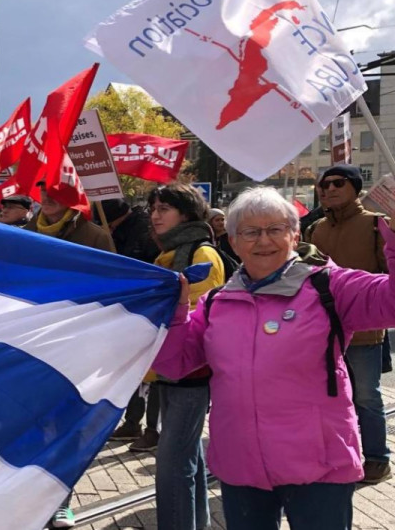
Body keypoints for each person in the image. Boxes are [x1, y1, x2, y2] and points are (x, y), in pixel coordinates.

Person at [155, 186, 395, 529]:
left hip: (319, 467)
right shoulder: (216, 303)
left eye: (275, 229)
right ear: (233, 241)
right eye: (250, 232)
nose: (263, 240)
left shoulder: (330, 287)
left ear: (295, 236)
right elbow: (173, 363)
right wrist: (176, 314)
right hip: (241, 467)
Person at [308, 164, 391, 484]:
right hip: (322, 332)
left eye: (338, 183)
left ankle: (377, 459)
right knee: (331, 397)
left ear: (355, 188)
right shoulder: (315, 230)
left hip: (366, 330)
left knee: (367, 396)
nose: (329, 188)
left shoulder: (376, 225)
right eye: (324, 184)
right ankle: (341, 455)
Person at [149, 182, 225, 530]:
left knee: (172, 464)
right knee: (187, 455)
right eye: (153, 209)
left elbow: (201, 314)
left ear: (186, 214)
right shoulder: (169, 253)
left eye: (164, 209)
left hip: (191, 372)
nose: (155, 215)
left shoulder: (201, 253)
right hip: (169, 370)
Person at [100, 199, 162, 450]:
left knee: (156, 375)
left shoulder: (143, 230)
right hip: (128, 310)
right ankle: (132, 422)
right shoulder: (115, 230)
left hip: (149, 309)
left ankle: (153, 429)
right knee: (135, 369)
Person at [23, 184, 114, 252]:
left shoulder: (96, 237)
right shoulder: (25, 233)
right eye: (44, 190)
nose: (47, 196)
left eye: (55, 191)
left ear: (72, 195)